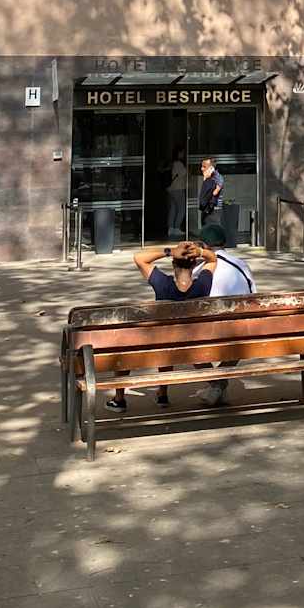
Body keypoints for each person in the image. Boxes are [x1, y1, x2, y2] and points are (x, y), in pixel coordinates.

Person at [105, 242, 212, 413]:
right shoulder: (203, 285)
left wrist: (170, 251)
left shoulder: (163, 284)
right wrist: (199, 251)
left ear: (173, 263)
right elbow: (213, 260)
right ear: (194, 265)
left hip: (160, 344)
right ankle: (162, 394)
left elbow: (139, 258)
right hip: (191, 345)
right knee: (170, 341)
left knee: (128, 344)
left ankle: (119, 399)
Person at [189, 221, 255, 407]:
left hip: (208, 332)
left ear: (203, 246)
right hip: (242, 331)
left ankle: (216, 383)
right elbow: (253, 296)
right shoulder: (241, 265)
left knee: (185, 341)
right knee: (243, 328)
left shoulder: (198, 270)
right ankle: (218, 384)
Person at [166, 146, 188, 239]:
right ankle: (177, 228)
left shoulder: (172, 163)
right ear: (178, 153)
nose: (183, 154)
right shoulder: (179, 163)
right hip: (178, 189)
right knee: (182, 208)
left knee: (173, 209)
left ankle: (171, 228)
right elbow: (184, 173)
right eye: (182, 152)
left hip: (171, 188)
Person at [198, 157, 225, 227]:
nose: (202, 169)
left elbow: (212, 194)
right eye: (202, 166)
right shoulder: (209, 177)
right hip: (207, 210)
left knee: (212, 229)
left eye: (204, 166)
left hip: (212, 211)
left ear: (211, 168)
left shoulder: (216, 178)